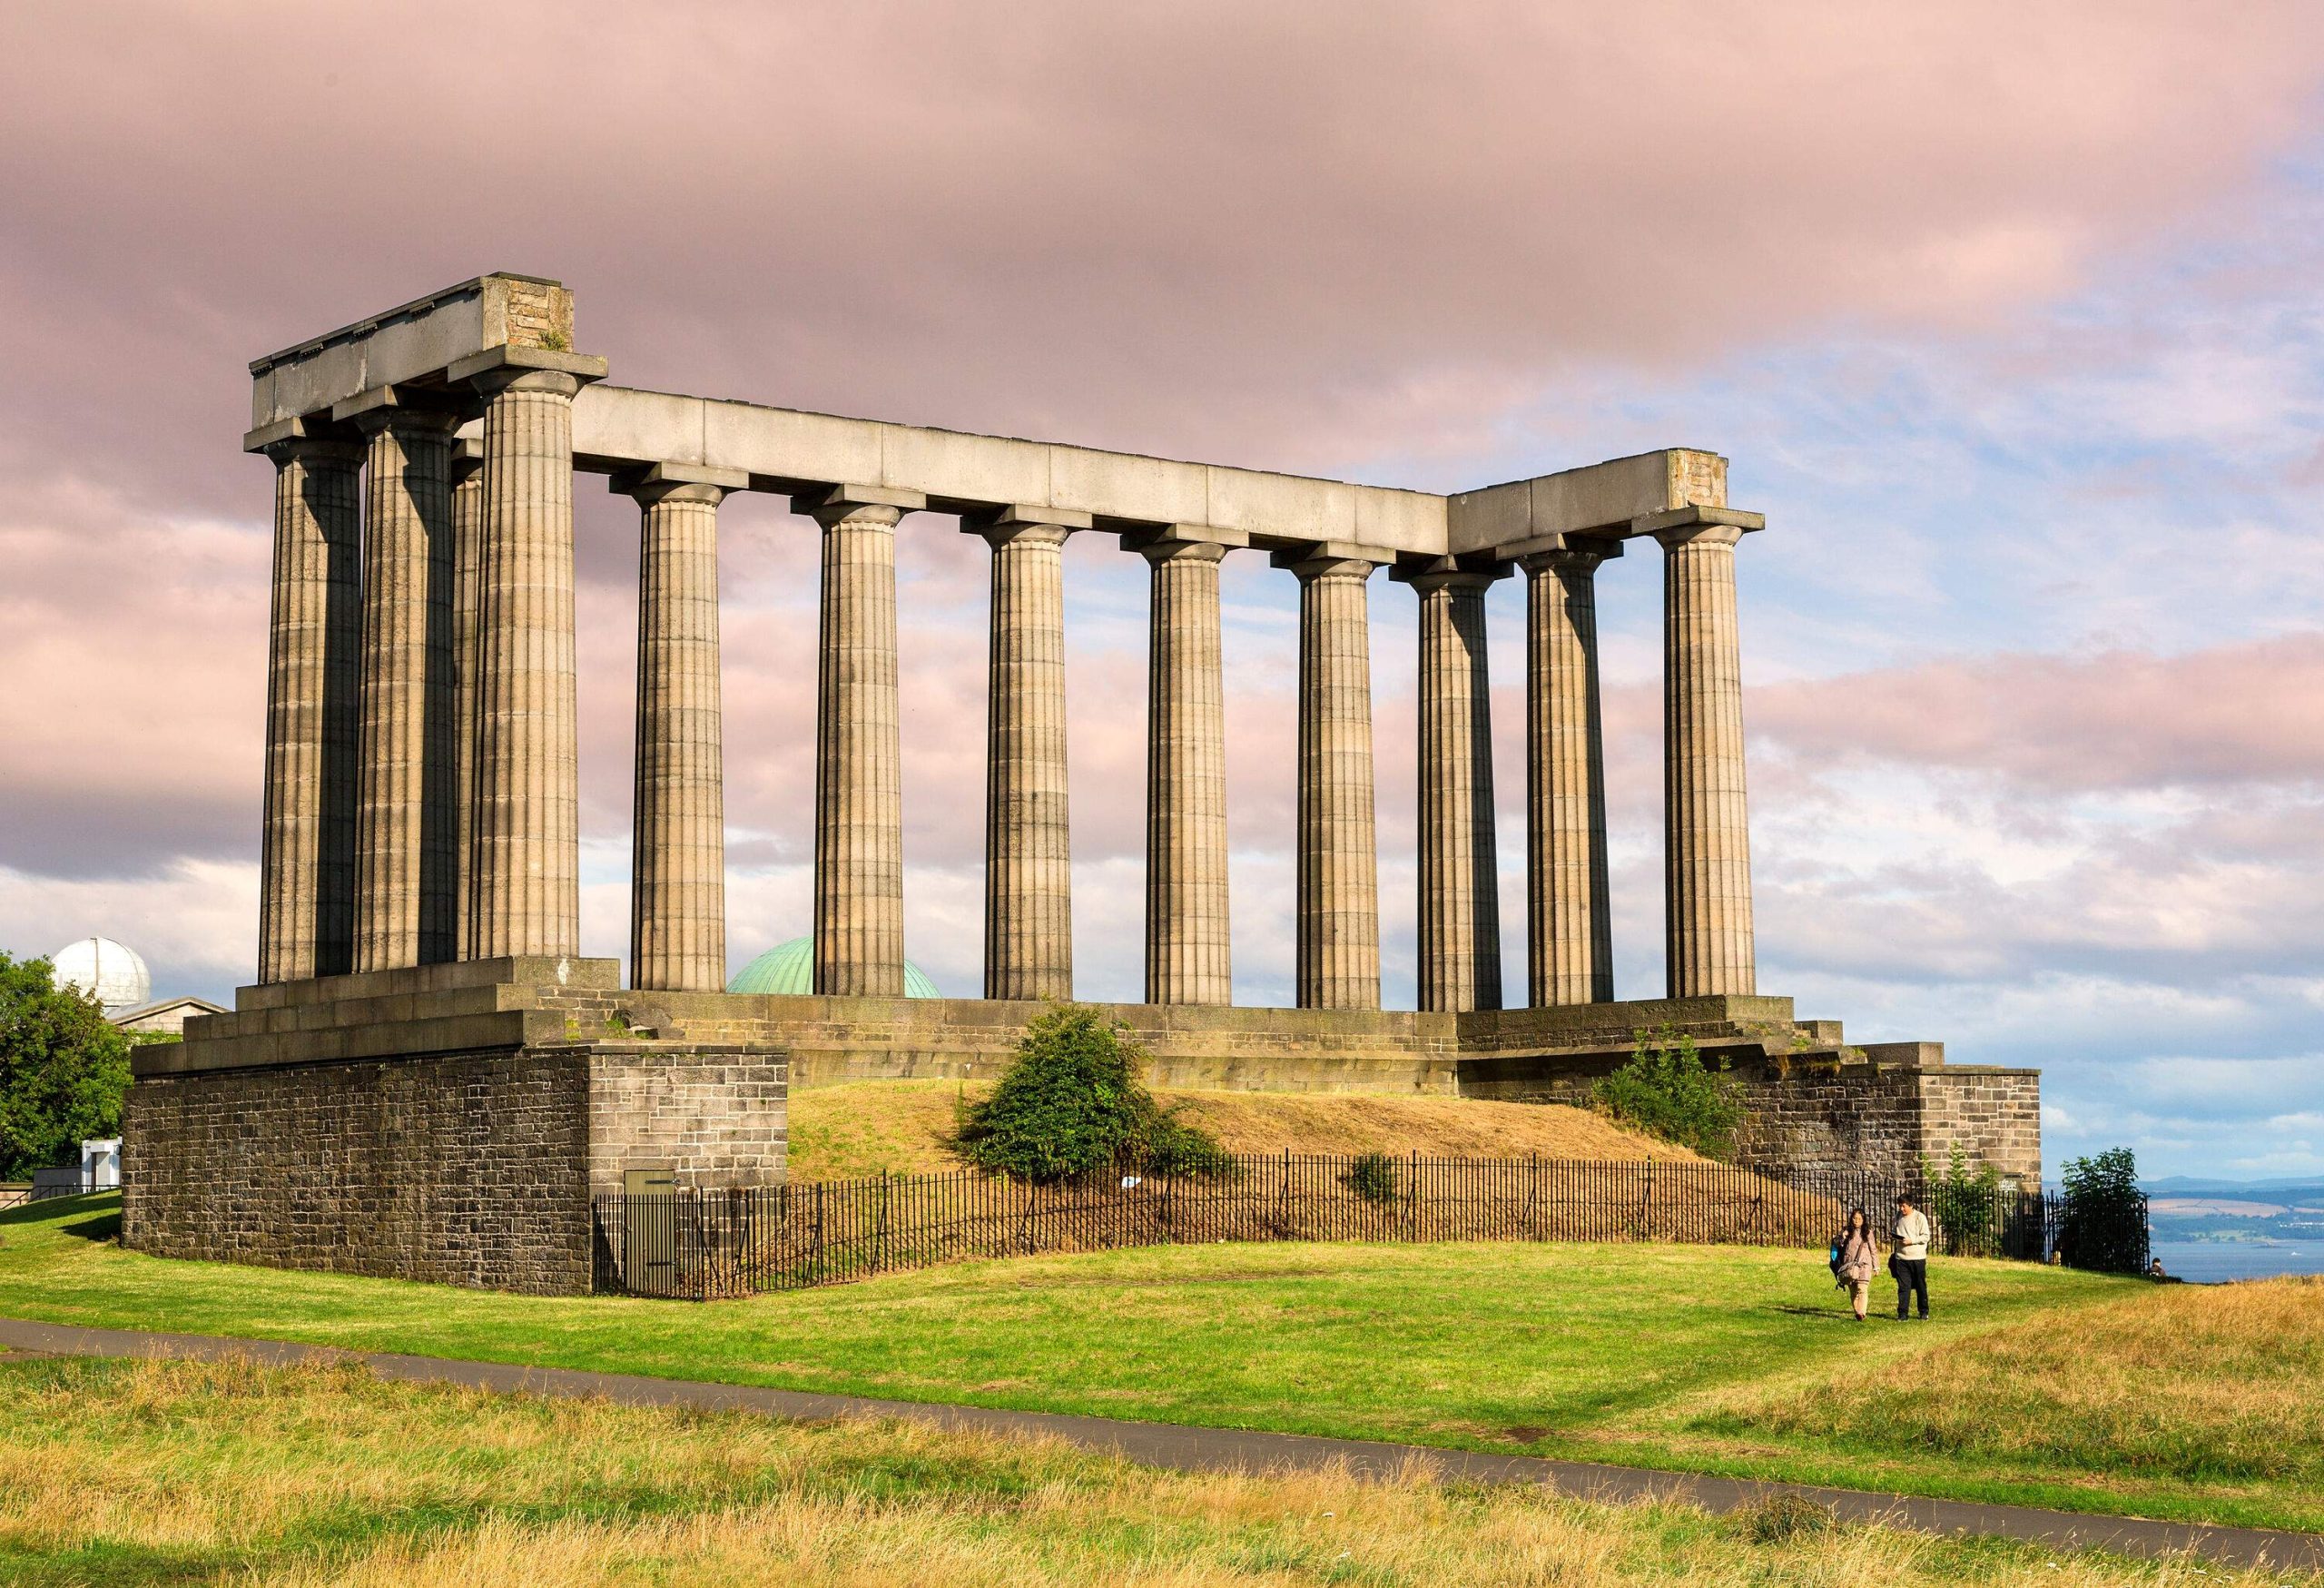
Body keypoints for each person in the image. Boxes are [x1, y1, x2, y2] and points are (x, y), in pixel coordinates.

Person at [1833, 1207, 1879, 1321]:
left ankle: (1861, 1312)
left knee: (1862, 1289)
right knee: (1853, 1290)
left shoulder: (1868, 1232)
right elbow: (1836, 1245)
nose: (1856, 1221)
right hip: (1850, 1265)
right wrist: (1843, 1236)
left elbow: (1873, 1250)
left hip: (1864, 1264)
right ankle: (1857, 1312)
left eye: (1859, 1218)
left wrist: (1876, 1266)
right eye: (1854, 1218)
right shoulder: (1846, 1231)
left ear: (1863, 1220)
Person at [1891, 1194, 1931, 1318]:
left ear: (1911, 1205)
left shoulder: (1920, 1217)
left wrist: (1911, 1241)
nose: (1901, 1209)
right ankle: (1902, 1313)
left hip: (1917, 1258)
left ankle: (1923, 1311)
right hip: (1901, 1258)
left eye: (1903, 1206)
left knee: (1920, 1286)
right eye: (1900, 1206)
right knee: (1903, 1287)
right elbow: (1895, 1231)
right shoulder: (1898, 1217)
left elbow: (1926, 1236)